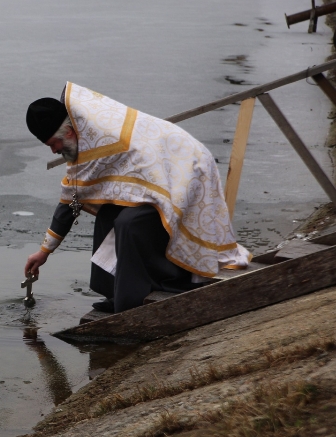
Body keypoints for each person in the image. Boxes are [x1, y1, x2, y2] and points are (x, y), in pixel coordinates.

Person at [24, 83, 251, 313]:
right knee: (108, 216)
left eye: (54, 144)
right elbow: (73, 200)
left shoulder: (103, 137)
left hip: (185, 170)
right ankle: (116, 292)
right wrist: (44, 251)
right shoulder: (84, 139)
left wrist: (45, 251)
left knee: (129, 223)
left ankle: (142, 296)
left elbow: (71, 199)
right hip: (155, 178)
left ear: (68, 132)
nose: (54, 151)